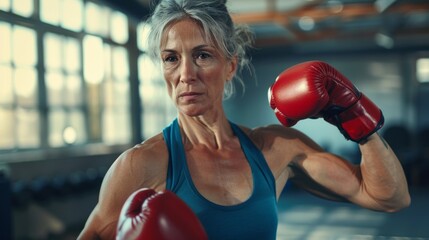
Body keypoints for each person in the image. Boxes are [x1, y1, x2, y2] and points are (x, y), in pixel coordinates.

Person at [78, 0, 411, 239]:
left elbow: (389, 196)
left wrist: (354, 115)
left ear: (230, 66)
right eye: (170, 58)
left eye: (202, 55)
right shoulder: (142, 163)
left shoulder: (276, 148)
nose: (186, 74)